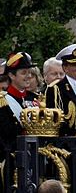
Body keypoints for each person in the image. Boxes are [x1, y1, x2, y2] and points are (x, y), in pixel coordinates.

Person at [45, 43, 76, 192]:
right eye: (75, 64)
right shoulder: (56, 89)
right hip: (71, 150)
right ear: (65, 67)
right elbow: (57, 121)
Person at [0, 52, 37, 192]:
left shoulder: (35, 99)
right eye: (23, 72)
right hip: (12, 162)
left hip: (35, 159)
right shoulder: (2, 102)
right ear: (11, 75)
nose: (28, 76)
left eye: (30, 72)